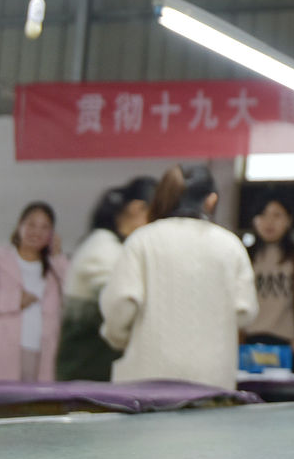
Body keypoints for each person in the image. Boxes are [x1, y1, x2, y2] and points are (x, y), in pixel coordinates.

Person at [99, 164, 257, 391]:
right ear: (211, 200)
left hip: (148, 380)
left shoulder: (142, 241)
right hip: (211, 381)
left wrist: (124, 339)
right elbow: (245, 312)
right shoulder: (230, 245)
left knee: (150, 428)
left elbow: (121, 305)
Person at [56, 176, 156, 381]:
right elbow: (119, 307)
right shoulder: (103, 248)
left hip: (94, 367)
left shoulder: (113, 245)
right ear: (138, 209)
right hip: (87, 369)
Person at [0, 201, 68, 381]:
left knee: (36, 408)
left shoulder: (55, 268)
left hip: (42, 356)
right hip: (1, 353)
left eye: (45, 227)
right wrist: (14, 300)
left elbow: (74, 298)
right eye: (31, 224)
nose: (37, 231)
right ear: (20, 225)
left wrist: (58, 257)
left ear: (52, 234)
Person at [242, 190, 294, 375]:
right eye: (262, 215)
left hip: (287, 348)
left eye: (277, 215)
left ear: (289, 219)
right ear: (254, 220)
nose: (269, 222)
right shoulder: (242, 256)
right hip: (246, 347)